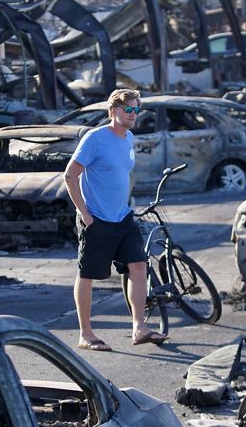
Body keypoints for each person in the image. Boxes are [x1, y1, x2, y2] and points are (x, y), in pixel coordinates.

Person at [64, 88, 167, 351]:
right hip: (96, 219)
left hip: (122, 216)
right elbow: (70, 176)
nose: (133, 114)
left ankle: (139, 327)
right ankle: (85, 334)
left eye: (136, 109)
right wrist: (85, 214)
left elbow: (122, 174)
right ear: (113, 111)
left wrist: (127, 201)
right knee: (87, 274)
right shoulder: (95, 139)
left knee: (138, 266)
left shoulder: (128, 137)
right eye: (127, 109)